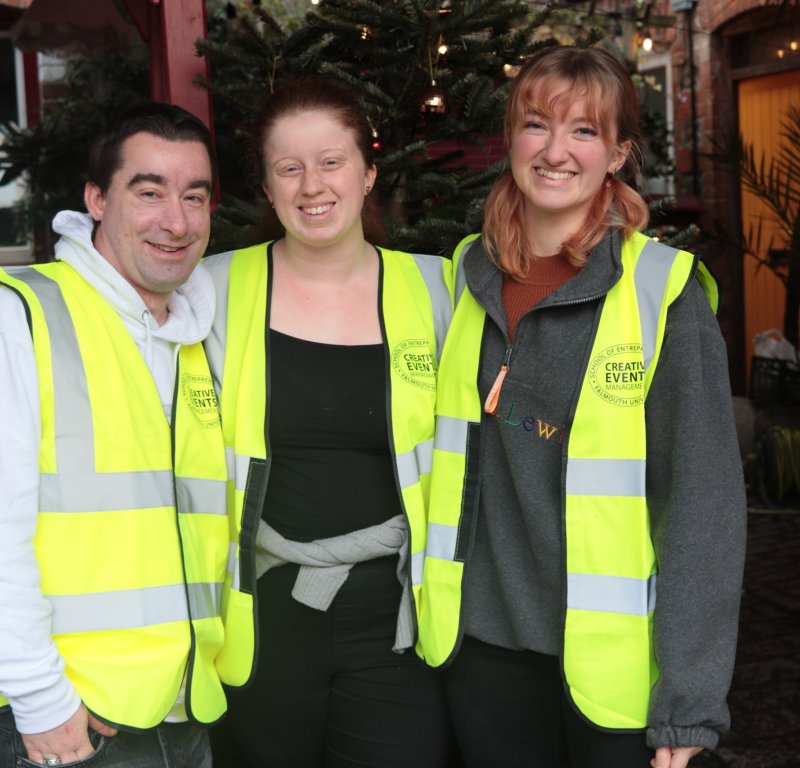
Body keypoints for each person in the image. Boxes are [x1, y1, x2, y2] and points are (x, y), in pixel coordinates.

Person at [417, 46, 747, 768]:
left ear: (619, 151)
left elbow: (704, 507)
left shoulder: (664, 295)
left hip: (612, 671)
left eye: (585, 132)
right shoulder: (463, 278)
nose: (556, 151)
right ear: (509, 138)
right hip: (483, 651)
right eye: (537, 125)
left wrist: (689, 706)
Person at [203, 77, 455, 768]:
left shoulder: (437, 289)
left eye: (331, 161)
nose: (312, 184)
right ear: (267, 184)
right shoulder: (211, 290)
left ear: (368, 172)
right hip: (260, 622)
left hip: (397, 623)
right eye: (290, 167)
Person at [0, 103, 229, 768]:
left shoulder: (194, 336)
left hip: (181, 708)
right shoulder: (24, 314)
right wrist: (43, 701)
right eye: (149, 191)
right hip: (69, 722)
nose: (176, 221)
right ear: (96, 199)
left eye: (195, 196)